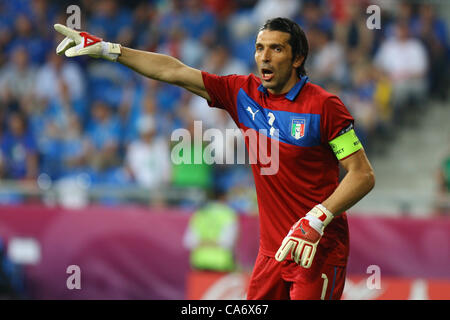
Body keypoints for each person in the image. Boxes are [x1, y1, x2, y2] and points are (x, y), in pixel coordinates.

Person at [54, 16, 375, 300]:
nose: (264, 56)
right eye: (259, 47)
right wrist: (110, 50)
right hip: (272, 252)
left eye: (276, 48)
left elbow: (362, 175)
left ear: (297, 57)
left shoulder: (324, 106)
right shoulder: (242, 93)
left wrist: (317, 219)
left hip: (317, 248)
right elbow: (173, 70)